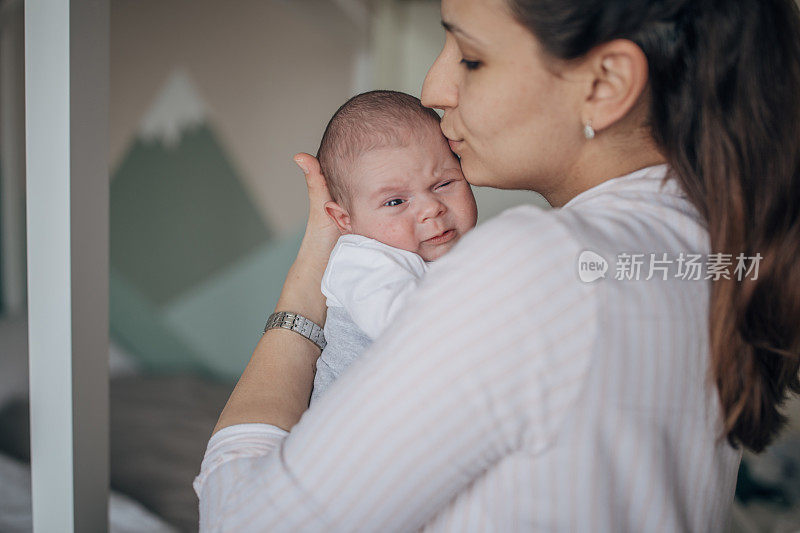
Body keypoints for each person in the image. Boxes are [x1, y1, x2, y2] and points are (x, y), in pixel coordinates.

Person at [193, 0, 800, 530]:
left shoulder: (538, 267)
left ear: (606, 82)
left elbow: (238, 523)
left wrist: (307, 279)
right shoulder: (715, 258)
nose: (433, 89)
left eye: (471, 57)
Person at [310, 90, 478, 404]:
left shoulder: (470, 253)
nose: (432, 208)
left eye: (444, 184)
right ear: (345, 219)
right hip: (353, 430)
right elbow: (406, 328)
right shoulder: (361, 260)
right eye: (396, 201)